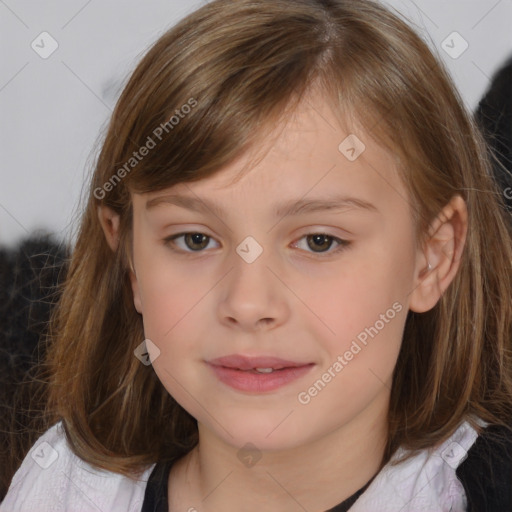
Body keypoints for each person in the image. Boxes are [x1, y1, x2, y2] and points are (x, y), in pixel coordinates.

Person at [2, 0, 511, 510]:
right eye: (194, 239)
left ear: (432, 258)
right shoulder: (61, 490)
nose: (248, 304)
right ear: (130, 259)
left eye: (319, 241)